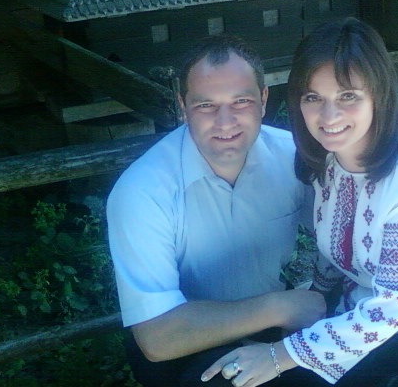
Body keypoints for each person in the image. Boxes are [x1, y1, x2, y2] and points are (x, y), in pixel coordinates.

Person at [203, 18, 398, 387]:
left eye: (348, 96)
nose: (328, 116)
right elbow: (335, 252)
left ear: (378, 94)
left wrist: (280, 355)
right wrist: (313, 306)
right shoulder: (326, 161)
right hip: (358, 317)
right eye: (313, 97)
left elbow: (390, 309)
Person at [107, 34, 327, 387]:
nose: (225, 122)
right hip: (184, 342)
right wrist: (283, 306)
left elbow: (346, 237)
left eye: (241, 101)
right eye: (206, 105)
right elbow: (157, 338)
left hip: (272, 328)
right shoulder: (142, 190)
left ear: (263, 100)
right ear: (182, 106)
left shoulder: (294, 159)